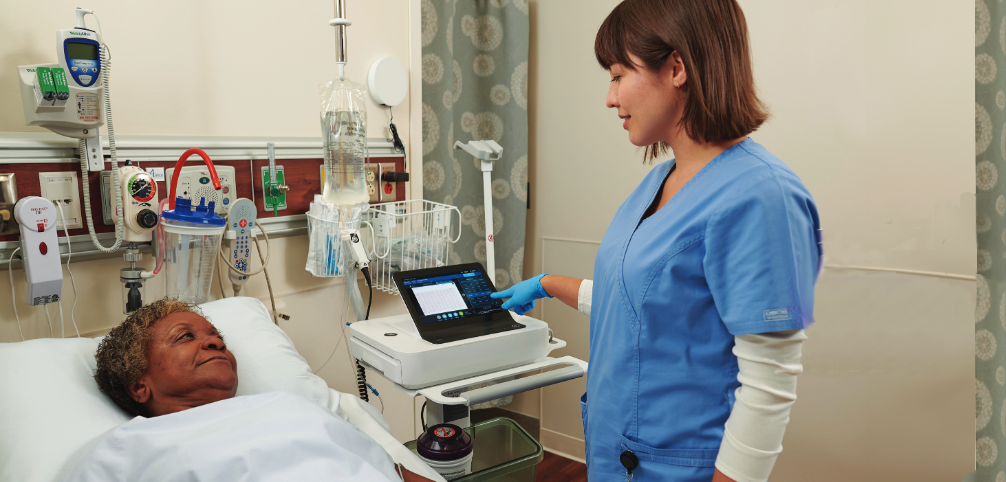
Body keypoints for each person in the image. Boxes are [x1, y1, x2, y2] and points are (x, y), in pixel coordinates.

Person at [490, 1, 822, 481]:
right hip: (618, 456)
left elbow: (769, 383)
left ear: (677, 68)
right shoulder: (660, 180)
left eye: (618, 75)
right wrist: (545, 284)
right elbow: (645, 305)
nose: (610, 98)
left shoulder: (761, 196)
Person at [73, 298, 434, 482]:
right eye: (185, 337)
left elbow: (396, 474)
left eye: (217, 337)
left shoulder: (291, 407)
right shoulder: (128, 447)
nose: (215, 343)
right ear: (139, 384)